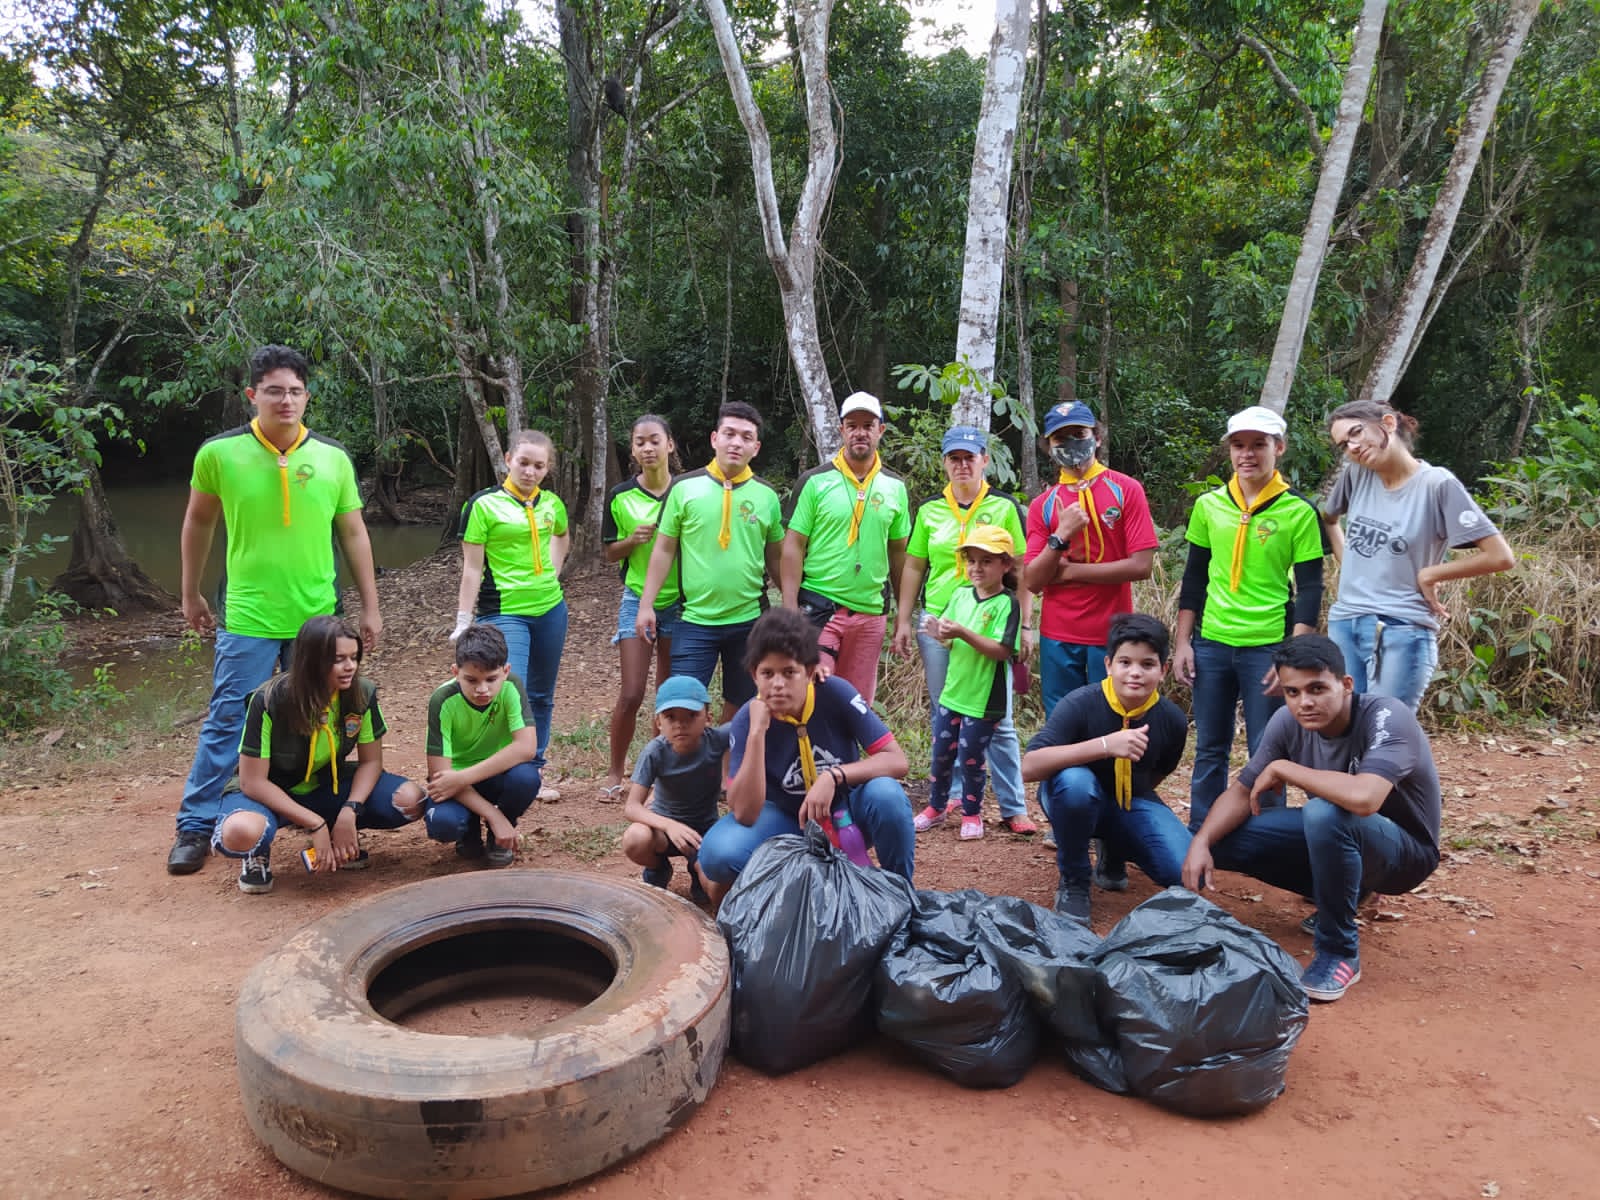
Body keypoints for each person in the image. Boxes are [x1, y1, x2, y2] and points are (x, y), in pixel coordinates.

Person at [168, 344, 382, 876]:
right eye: (273, 391)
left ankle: (315, 813)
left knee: (317, 715)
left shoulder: (331, 457)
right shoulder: (219, 454)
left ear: (307, 396)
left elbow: (353, 532)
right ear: (252, 395)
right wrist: (190, 592)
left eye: (294, 391)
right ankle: (195, 826)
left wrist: (369, 607)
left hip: (317, 615)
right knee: (228, 717)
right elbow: (198, 523)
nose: (285, 400)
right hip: (248, 613)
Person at [1181, 634, 1442, 1002]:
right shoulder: (1288, 722)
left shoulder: (1386, 716)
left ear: (1346, 684)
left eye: (1317, 688)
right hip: (1344, 837)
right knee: (1222, 836)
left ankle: (1339, 951)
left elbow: (1365, 798)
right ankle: (1350, 892)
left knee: (1324, 813)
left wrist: (1285, 768)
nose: (1304, 702)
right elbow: (1242, 791)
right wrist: (1200, 842)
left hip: (1405, 855)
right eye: (1292, 692)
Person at [1023, 400, 1158, 886]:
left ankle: (1114, 845)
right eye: (1060, 438)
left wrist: (1073, 571)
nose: (1070, 445)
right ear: (1048, 445)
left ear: (1096, 436)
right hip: (1059, 636)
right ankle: (1074, 836)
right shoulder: (1043, 506)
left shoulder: (1125, 489)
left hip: (1113, 640)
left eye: (1078, 434)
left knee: (1116, 737)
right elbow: (1034, 579)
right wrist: (1061, 537)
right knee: (1066, 737)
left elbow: (1141, 563)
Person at [1174, 405, 1328, 831]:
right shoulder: (1209, 505)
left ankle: (1268, 836)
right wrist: (1183, 642)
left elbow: (1311, 586)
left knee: (1268, 749)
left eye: (1258, 445)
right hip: (1212, 642)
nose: (1248, 454)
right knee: (1210, 747)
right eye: (1239, 445)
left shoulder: (1298, 510)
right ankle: (1202, 833)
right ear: (1229, 451)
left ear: (1278, 447)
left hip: (1268, 646)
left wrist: (1291, 658)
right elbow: (1194, 578)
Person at [696, 607, 915, 905]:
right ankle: (791, 888)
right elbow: (745, 813)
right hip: (788, 821)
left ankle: (900, 894)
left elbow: (897, 761)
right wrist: (757, 734)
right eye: (767, 673)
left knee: (886, 794)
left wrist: (835, 776)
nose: (777, 684)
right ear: (754, 676)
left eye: (789, 672)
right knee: (718, 854)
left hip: (848, 812)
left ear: (810, 672)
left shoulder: (836, 693)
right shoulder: (749, 718)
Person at [1322, 399, 1514, 710]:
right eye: (1344, 444)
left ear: (1387, 423)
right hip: (1346, 621)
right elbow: (1329, 519)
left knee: (1386, 732)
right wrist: (1349, 565)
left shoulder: (1437, 484)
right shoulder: (1356, 476)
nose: (1352, 447)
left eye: (1356, 433)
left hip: (1401, 628)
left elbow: (1500, 556)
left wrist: (1431, 574)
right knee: (1348, 730)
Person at [893, 424, 1037, 834]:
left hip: (991, 621)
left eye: (969, 457)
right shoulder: (929, 510)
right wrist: (905, 620)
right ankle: (953, 796)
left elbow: (1022, 567)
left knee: (999, 717)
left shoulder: (1004, 507)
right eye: (954, 458)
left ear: (984, 460)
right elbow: (915, 565)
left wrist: (1027, 624)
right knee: (947, 714)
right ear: (944, 463)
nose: (961, 465)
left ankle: (1013, 806)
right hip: (940, 621)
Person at [212, 616, 423, 895]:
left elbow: (372, 762)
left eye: (354, 657)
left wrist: (351, 810)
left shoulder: (361, 693)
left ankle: (340, 834)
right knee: (243, 831)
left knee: (411, 800)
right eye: (338, 659)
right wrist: (315, 823)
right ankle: (257, 853)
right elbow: (253, 782)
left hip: (324, 784)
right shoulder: (269, 700)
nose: (350, 667)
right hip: (271, 790)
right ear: (311, 661)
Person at [1022, 613, 1189, 924]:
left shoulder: (1172, 719)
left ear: (1163, 670)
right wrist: (1105, 745)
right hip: (1071, 796)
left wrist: (1128, 814)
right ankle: (1074, 880)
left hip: (1131, 800)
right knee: (1076, 784)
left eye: (1147, 665)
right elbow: (1029, 767)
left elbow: (1159, 774)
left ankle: (1113, 845)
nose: (1135, 673)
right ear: (1109, 665)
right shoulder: (1080, 703)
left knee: (1183, 870)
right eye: (1125, 663)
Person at [637, 402, 784, 721]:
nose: (736, 442)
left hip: (749, 619)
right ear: (714, 438)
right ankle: (678, 768)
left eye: (746, 437)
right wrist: (646, 604)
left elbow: (776, 556)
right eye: (729, 434)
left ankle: (725, 767)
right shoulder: (684, 488)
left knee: (743, 705)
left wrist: (792, 603)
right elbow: (663, 549)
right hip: (694, 620)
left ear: (756, 448)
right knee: (683, 705)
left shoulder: (767, 496)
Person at [779, 391, 910, 706]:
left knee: (855, 704)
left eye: (868, 425)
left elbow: (899, 554)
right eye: (852, 425)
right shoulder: (814, 481)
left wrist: (902, 617)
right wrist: (788, 606)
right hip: (820, 608)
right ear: (841, 430)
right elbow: (794, 545)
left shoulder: (895, 487)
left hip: (869, 613)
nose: (860, 432)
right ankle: (808, 756)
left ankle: (847, 757)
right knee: (813, 695)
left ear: (881, 431)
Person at [452, 429, 569, 772]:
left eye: (539, 466)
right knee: (508, 691)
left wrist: (553, 572)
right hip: (504, 612)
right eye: (523, 463)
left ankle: (532, 767)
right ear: (507, 460)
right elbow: (472, 568)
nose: (530, 472)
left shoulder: (552, 503)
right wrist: (462, 619)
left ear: (547, 469)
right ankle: (497, 767)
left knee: (542, 695)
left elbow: (561, 536)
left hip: (550, 608)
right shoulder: (482, 504)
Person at [913, 525, 1022, 841]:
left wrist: (962, 633)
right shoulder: (960, 595)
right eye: (972, 560)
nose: (976, 568)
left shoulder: (1007, 604)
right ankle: (936, 807)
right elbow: (949, 641)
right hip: (953, 692)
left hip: (984, 698)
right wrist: (938, 634)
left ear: (1005, 565)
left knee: (972, 757)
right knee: (942, 753)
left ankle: (972, 815)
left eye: (986, 561)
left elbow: (1003, 650)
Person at [602, 414, 681, 798]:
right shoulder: (620, 496)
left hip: (682, 602)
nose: (647, 448)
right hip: (636, 598)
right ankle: (615, 773)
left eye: (654, 441)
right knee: (632, 692)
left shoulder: (687, 491)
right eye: (639, 442)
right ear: (632, 449)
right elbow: (606, 553)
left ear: (670, 445)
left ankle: (652, 777)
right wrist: (631, 540)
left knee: (665, 695)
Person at [422, 623, 542, 867]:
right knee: (443, 824)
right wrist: (492, 813)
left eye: (491, 679)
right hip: (454, 785)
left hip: (488, 775)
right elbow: (440, 775)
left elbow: (526, 748)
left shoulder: (512, 687)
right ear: (455, 672)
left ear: (506, 671)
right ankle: (471, 828)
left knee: (527, 778)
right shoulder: (442, 700)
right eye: (471, 680)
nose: (482, 689)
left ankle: (499, 831)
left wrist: (462, 777)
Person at [619, 675, 728, 905]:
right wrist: (669, 825)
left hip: (704, 833)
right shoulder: (654, 752)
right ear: (659, 723)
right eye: (670, 717)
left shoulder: (717, 740)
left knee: (716, 891)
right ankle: (658, 867)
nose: (680, 724)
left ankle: (698, 869)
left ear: (708, 718)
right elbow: (632, 807)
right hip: (663, 833)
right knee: (635, 838)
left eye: (691, 715)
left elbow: (753, 718)